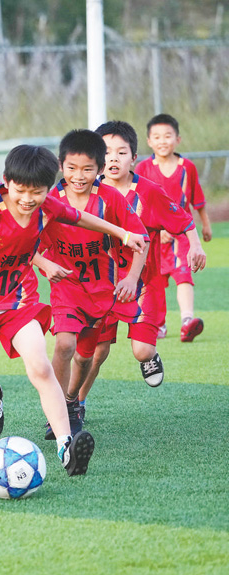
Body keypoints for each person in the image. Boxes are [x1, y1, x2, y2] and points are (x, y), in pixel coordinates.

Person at [0, 144, 147, 475]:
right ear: (6, 182)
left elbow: (79, 217)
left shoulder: (46, 207)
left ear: (47, 188)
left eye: (37, 192)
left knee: (41, 367)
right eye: (21, 190)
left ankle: (66, 447)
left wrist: (122, 233)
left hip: (17, 300)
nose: (28, 199)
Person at [74, 121, 206, 423]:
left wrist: (196, 245)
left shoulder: (149, 192)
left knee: (142, 351)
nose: (113, 159)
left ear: (134, 158)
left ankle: (150, 357)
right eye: (107, 152)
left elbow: (183, 220)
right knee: (96, 352)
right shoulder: (86, 190)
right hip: (100, 286)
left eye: (122, 152)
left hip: (144, 285)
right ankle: (76, 404)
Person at [35, 129, 150, 440]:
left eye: (87, 169)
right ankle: (57, 411)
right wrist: (45, 263)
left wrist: (131, 277)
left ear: (99, 169)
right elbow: (25, 245)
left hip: (100, 292)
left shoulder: (110, 199)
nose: (78, 176)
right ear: (60, 165)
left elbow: (141, 239)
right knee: (64, 345)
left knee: (85, 356)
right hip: (65, 288)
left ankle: (72, 401)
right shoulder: (48, 201)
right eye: (72, 168)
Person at [136, 113, 212, 342]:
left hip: (182, 235)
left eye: (168, 136)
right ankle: (158, 324)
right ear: (149, 141)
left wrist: (205, 224)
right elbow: (137, 202)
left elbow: (197, 198)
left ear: (177, 139)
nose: (163, 141)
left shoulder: (187, 167)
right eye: (157, 136)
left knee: (184, 275)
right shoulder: (143, 168)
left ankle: (187, 320)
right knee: (155, 282)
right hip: (153, 236)